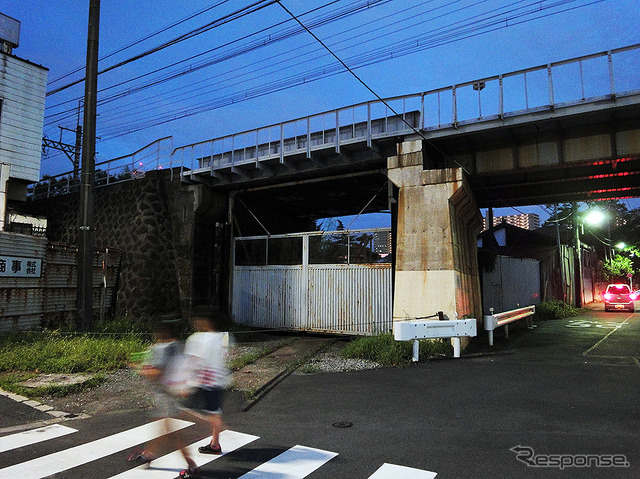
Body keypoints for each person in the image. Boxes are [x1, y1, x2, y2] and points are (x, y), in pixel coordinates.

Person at [127, 316, 198, 476]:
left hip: (165, 396)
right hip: (173, 394)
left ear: (161, 332)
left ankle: (192, 466)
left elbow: (157, 373)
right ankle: (148, 454)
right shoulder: (178, 346)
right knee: (158, 426)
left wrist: (139, 369)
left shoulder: (162, 349)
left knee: (173, 434)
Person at [180, 305, 231, 474]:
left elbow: (193, 362)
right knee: (215, 411)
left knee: (181, 411)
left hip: (202, 382)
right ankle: (215, 443)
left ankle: (217, 427)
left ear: (205, 321)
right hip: (219, 381)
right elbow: (228, 356)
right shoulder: (225, 337)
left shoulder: (197, 338)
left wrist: (185, 383)